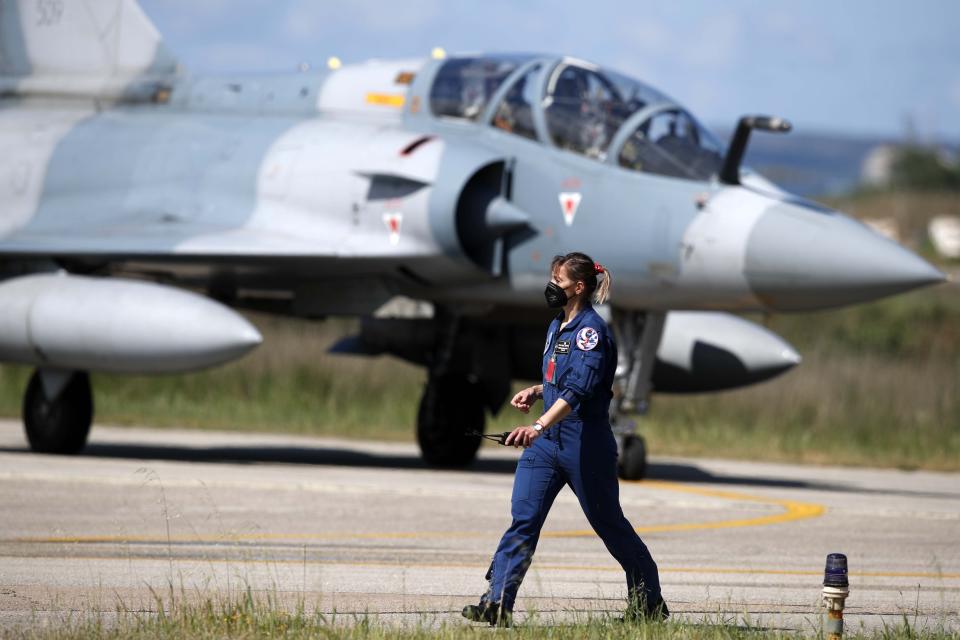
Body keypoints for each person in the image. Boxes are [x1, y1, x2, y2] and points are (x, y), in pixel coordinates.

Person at [462, 252, 668, 627]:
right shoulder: (557, 325)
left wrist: (537, 426)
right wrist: (539, 390)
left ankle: (648, 601)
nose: (552, 286)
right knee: (523, 518)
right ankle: (497, 603)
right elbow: (562, 381)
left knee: (608, 523)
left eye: (558, 280)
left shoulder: (591, 333)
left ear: (579, 287)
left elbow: (578, 392)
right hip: (547, 444)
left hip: (583, 443)